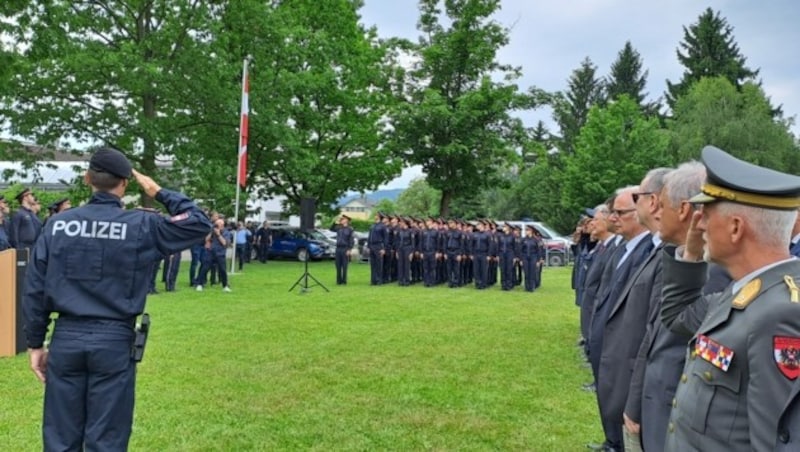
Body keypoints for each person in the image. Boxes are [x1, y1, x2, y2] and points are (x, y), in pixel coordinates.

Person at [22, 147, 212, 451]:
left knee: (60, 438)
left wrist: (35, 344)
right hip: (113, 341)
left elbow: (34, 288)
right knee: (107, 439)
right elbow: (200, 223)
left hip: (67, 338)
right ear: (125, 184)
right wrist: (158, 191)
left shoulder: (57, 224)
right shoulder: (141, 225)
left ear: (87, 179)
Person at [660, 146, 800, 451]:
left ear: (736, 227)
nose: (698, 224)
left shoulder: (781, 313)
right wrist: (693, 252)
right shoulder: (746, 293)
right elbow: (678, 316)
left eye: (706, 214)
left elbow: (778, 443)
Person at [196, 218, 232, 292]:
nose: (216, 226)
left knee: (223, 270)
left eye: (217, 224)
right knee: (204, 268)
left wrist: (218, 235)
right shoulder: (212, 231)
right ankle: (199, 284)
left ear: (222, 225)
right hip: (211, 252)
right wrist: (211, 233)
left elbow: (225, 243)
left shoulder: (226, 232)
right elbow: (206, 240)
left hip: (220, 253)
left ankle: (225, 286)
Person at [9, 187, 43, 257]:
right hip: (23, 247)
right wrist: (18, 250)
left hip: (33, 247)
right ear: (25, 197)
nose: (33, 197)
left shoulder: (32, 213)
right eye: (31, 195)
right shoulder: (18, 213)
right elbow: (14, 234)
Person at [334, 214, 355, 285]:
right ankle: (338, 280)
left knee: (345, 265)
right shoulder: (339, 227)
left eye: (343, 219)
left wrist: (349, 249)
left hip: (345, 248)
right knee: (338, 265)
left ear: (347, 220)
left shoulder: (350, 229)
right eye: (341, 219)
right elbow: (331, 229)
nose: (342, 220)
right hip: (338, 248)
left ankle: (344, 280)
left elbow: (351, 240)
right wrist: (336, 222)